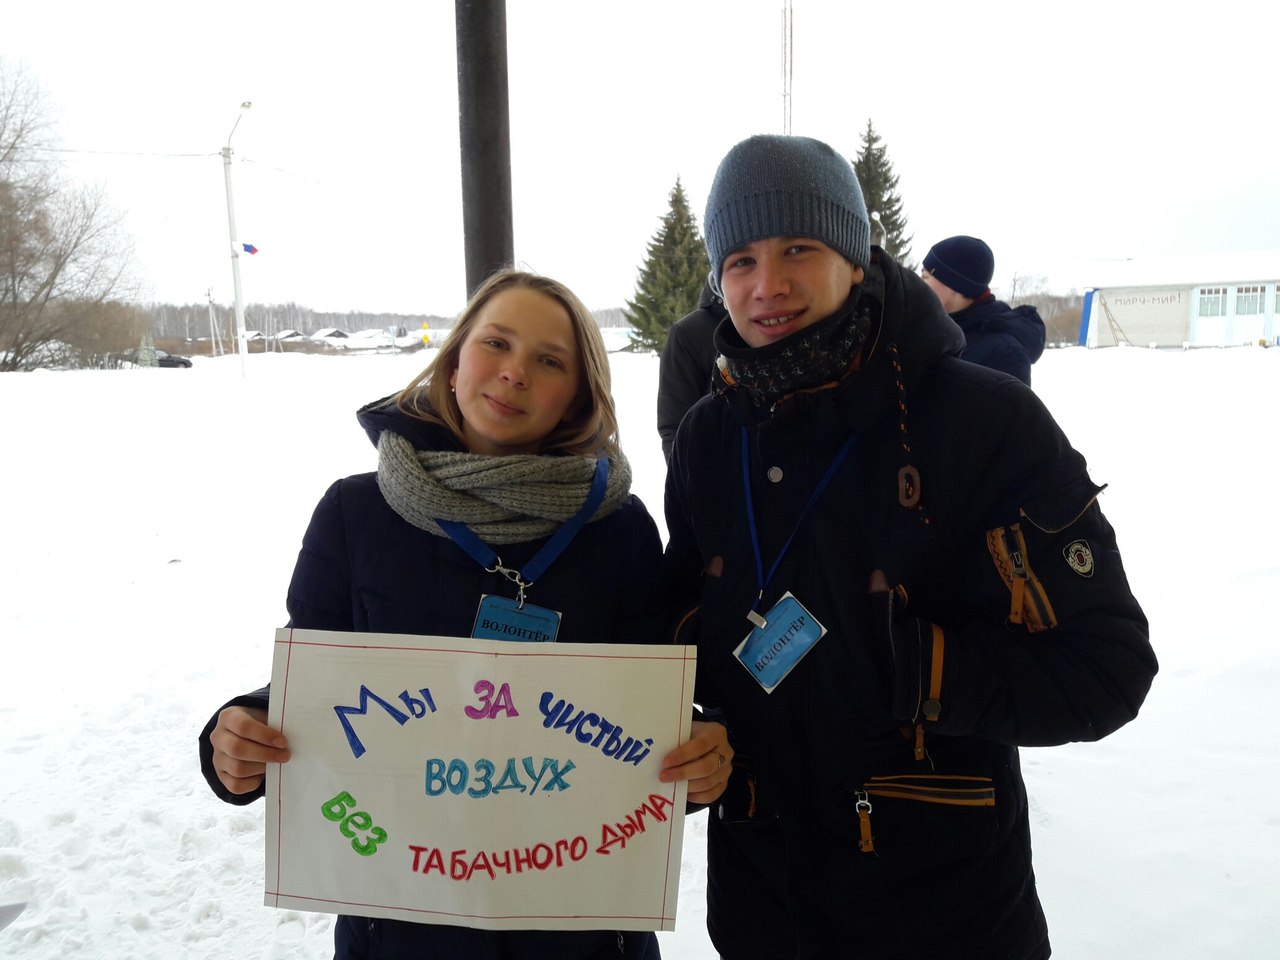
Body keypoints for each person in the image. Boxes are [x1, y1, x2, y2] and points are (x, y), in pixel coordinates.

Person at [663, 135, 1156, 960]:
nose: (767, 284)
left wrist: (912, 670)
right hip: (759, 909)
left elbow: (1104, 668)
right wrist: (683, 726)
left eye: (797, 248)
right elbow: (684, 613)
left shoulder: (983, 419)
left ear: (855, 257)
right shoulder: (709, 435)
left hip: (945, 913)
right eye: (740, 260)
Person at [199, 269, 733, 960]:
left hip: (580, 928)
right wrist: (241, 730)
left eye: (550, 361)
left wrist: (697, 756)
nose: (515, 373)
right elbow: (314, 688)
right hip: (400, 927)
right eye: (496, 343)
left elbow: (644, 718)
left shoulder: (618, 529)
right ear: (454, 364)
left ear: (577, 397)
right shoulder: (354, 514)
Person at [920, 234, 1046, 385]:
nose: (919, 283)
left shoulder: (1006, 354)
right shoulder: (935, 327)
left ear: (954, 284)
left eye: (925, 277)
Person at [657, 276, 725, 461]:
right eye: (742, 263)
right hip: (713, 471)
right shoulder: (687, 333)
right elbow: (675, 427)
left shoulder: (781, 324)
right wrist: (688, 476)